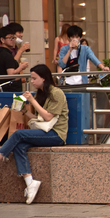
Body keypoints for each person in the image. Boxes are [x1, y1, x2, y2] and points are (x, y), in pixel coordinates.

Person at [0, 64, 68, 204]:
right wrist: (24, 111)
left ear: (43, 78)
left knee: (19, 135)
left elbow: (48, 117)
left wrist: (32, 101)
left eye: (34, 78)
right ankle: (30, 183)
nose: (32, 81)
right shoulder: (41, 93)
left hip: (56, 134)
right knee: (19, 145)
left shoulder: (57, 93)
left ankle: (1, 154)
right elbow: (39, 119)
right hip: (45, 131)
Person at [0, 27, 28, 92]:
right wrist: (21, 67)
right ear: (2, 39)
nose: (12, 40)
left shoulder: (4, 53)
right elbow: (11, 74)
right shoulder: (6, 55)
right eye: (10, 38)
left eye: (13, 38)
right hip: (10, 91)